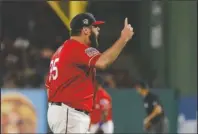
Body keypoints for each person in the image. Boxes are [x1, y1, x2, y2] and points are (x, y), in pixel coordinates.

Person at [45, 12, 134, 133]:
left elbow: (49, 87)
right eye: (95, 27)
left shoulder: (60, 51)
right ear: (86, 30)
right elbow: (104, 62)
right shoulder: (76, 47)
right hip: (69, 114)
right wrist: (124, 38)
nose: (97, 30)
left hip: (65, 113)